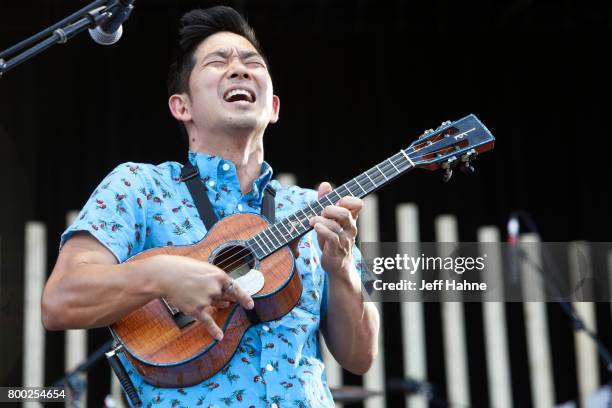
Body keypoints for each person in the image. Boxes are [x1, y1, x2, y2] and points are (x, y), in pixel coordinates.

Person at [42, 6, 379, 407]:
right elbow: (60, 300)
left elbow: (361, 356)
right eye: (218, 62)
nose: (239, 69)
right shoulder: (139, 187)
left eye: (252, 62)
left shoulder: (312, 210)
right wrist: (159, 276)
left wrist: (341, 270)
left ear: (273, 108)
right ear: (181, 106)